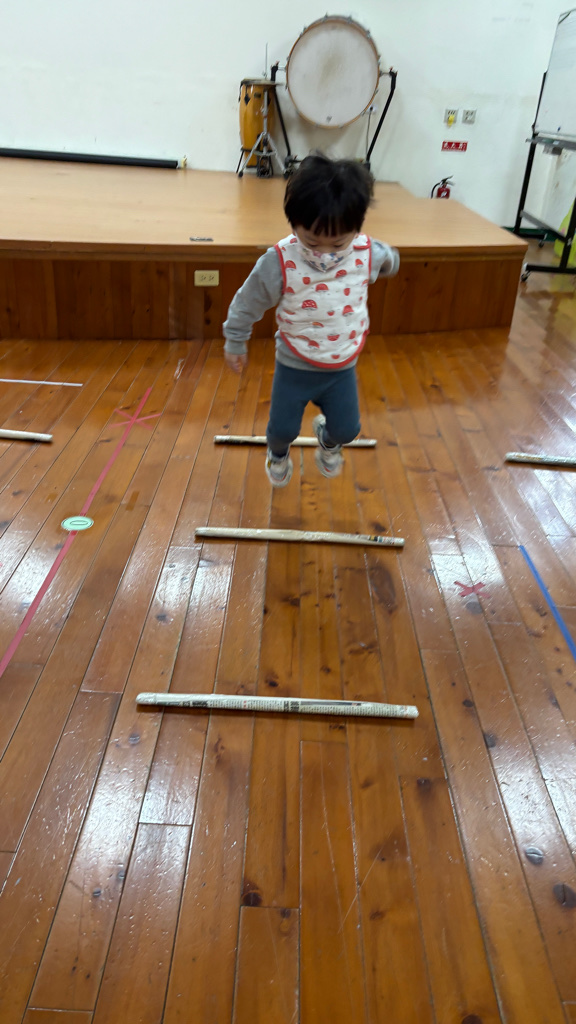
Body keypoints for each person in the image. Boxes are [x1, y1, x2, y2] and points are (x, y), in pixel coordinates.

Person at [223, 153, 399, 487]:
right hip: (294, 364)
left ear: (356, 229)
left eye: (338, 243)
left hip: (341, 365)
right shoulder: (280, 260)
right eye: (312, 241)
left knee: (347, 430)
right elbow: (247, 302)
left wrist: (389, 262)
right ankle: (277, 454)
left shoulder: (366, 251)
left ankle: (328, 441)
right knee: (282, 430)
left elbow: (390, 259)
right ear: (294, 223)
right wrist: (235, 339)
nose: (324, 254)